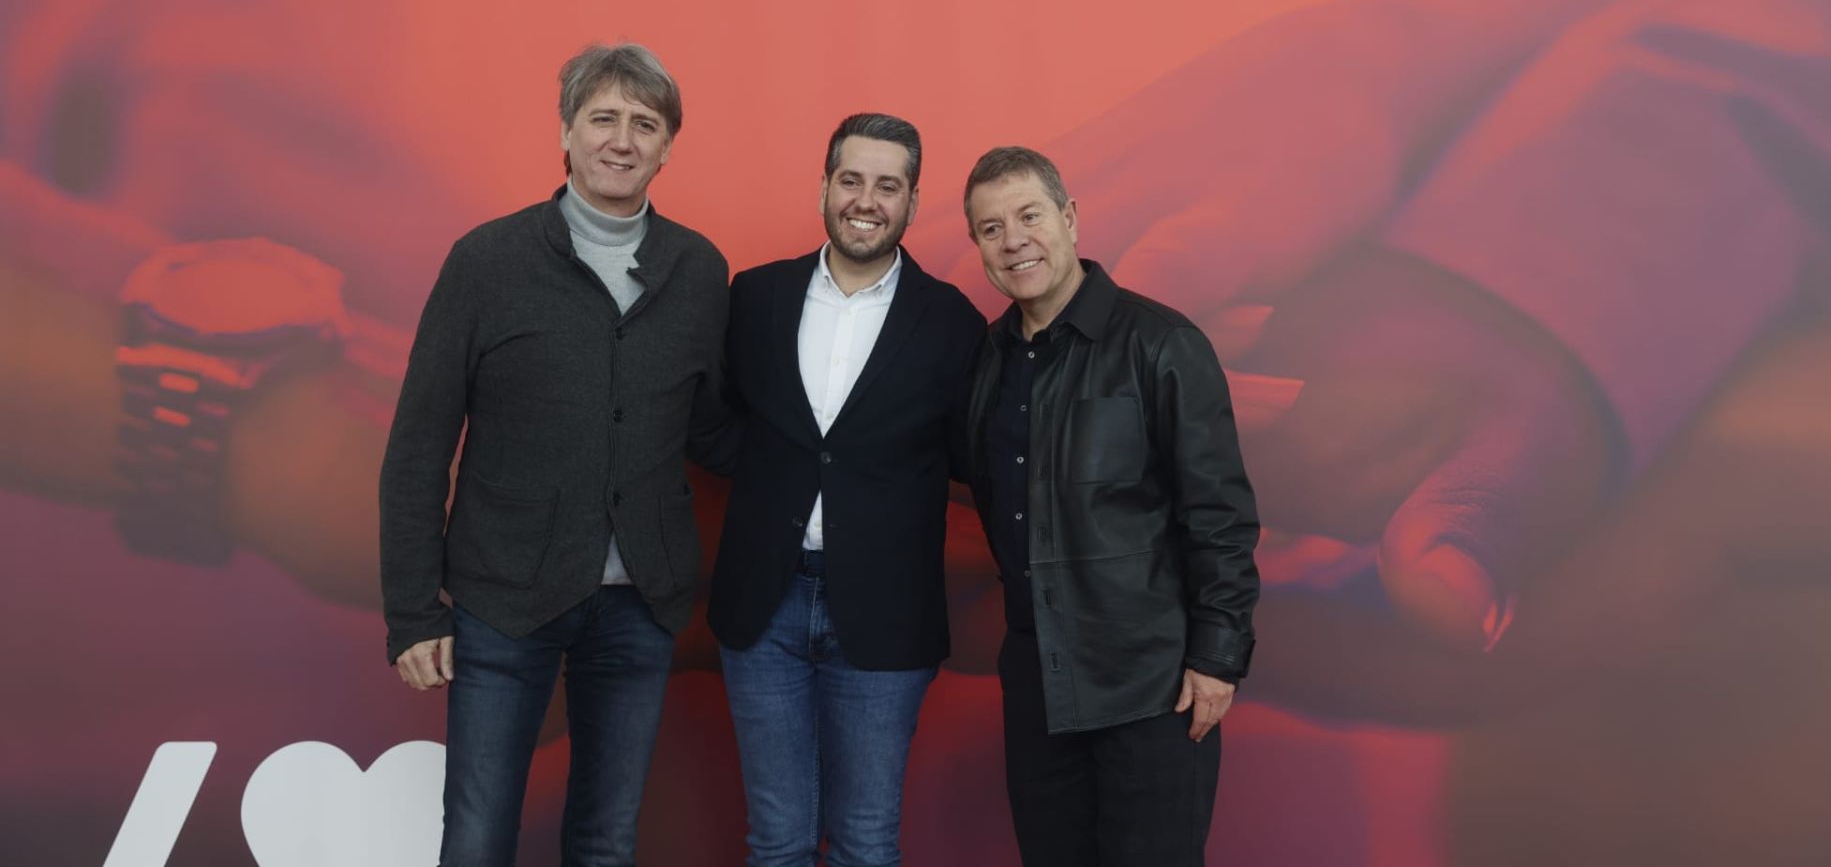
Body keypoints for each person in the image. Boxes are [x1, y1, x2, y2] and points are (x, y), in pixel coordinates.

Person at [378, 43, 733, 866]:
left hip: (641, 606)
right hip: (502, 601)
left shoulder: (699, 270)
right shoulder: (486, 261)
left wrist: (830, 452)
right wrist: (412, 612)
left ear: (667, 147)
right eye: (603, 118)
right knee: (476, 840)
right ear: (567, 132)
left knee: (606, 842)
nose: (622, 139)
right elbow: (419, 446)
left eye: (644, 124)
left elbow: (711, 430)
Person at [959, 145, 1260, 866]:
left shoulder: (1162, 343)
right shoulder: (989, 358)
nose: (1014, 240)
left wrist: (1218, 658)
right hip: (1037, 682)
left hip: (1151, 684)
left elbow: (1218, 514)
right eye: (991, 228)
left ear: (1068, 219)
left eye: (1029, 215)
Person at [707, 113, 985, 866]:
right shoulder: (757, 296)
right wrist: (772, 472)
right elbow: (711, 419)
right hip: (764, 608)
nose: (867, 199)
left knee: (865, 843)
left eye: (887, 186)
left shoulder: (955, 324)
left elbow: (973, 460)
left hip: (887, 616)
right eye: (852, 180)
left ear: (913, 202)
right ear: (826, 187)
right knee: (778, 842)